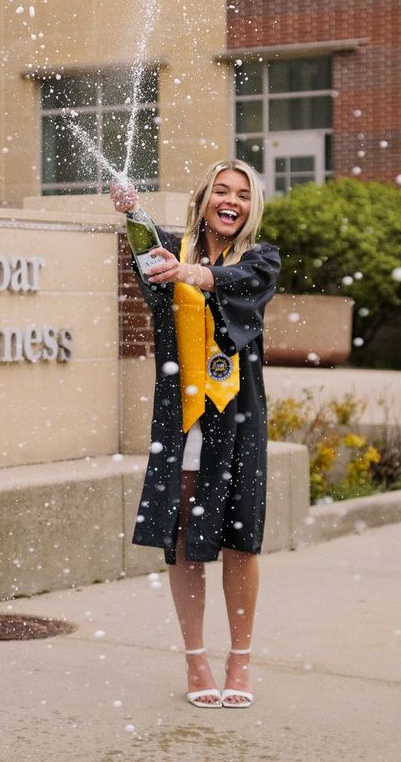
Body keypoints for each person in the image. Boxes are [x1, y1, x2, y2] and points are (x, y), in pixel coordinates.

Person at [111, 159, 281, 709]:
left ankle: (241, 661)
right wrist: (132, 210)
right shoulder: (169, 251)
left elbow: (231, 282)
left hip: (239, 417)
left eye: (244, 195)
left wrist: (198, 276)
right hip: (183, 418)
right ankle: (196, 661)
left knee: (240, 539)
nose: (232, 201)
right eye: (222, 191)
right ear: (205, 198)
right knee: (184, 539)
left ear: (252, 208)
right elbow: (148, 262)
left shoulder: (261, 260)